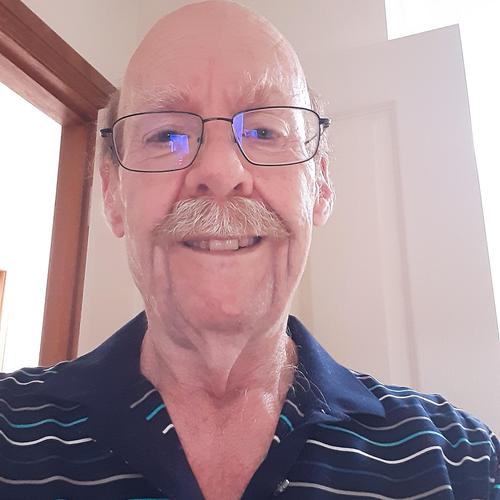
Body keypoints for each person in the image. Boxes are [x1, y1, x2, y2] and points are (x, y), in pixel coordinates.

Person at [0, 1, 499, 499]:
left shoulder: (462, 462)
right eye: (166, 134)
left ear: (320, 184)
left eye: (263, 132)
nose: (220, 171)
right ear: (112, 193)